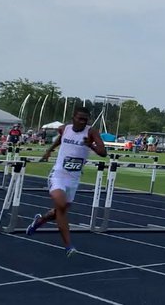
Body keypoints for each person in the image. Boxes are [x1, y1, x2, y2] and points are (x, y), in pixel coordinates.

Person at [24, 106, 108, 256]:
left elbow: (103, 152)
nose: (82, 122)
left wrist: (91, 145)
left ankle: (39, 221)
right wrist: (49, 151)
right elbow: (60, 140)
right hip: (58, 175)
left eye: (85, 119)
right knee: (61, 206)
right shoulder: (64, 129)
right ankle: (69, 246)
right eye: (80, 118)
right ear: (73, 118)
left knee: (58, 211)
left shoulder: (91, 132)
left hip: (74, 179)